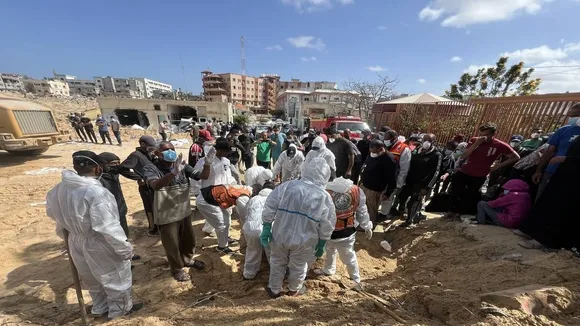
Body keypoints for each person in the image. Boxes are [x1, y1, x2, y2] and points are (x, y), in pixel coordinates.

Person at [46, 151, 141, 318]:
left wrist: (71, 230)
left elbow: (53, 213)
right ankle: (119, 311)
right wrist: (124, 248)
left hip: (76, 239)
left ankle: (100, 308)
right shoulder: (97, 193)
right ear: (98, 169)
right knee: (116, 277)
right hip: (99, 241)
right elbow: (108, 226)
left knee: (91, 279)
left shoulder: (58, 189)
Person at [261, 158, 336, 298]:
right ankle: (294, 290)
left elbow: (270, 204)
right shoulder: (324, 197)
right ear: (325, 176)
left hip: (280, 234)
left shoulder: (288, 186)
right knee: (299, 266)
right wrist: (322, 242)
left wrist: (266, 226)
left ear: (306, 170)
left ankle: (274, 290)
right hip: (305, 239)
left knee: (277, 262)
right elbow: (328, 223)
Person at [143, 142, 205, 281]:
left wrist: (208, 163)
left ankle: (187, 260)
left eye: (172, 149)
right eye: (165, 150)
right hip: (166, 213)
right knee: (172, 243)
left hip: (184, 211)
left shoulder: (182, 166)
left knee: (189, 239)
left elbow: (202, 176)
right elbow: (156, 185)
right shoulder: (151, 168)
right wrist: (173, 173)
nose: (170, 152)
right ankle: (176, 269)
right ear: (157, 153)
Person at [516, 136, 580, 250]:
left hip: (574, 182)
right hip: (564, 175)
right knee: (546, 203)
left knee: (558, 210)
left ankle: (542, 240)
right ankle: (531, 231)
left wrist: (567, 159)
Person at [444, 123, 520, 220]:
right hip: (464, 171)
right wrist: (476, 144)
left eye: (487, 134)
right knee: (455, 192)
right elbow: (464, 155)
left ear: (493, 134)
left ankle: (459, 214)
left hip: (480, 175)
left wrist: (498, 166)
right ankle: (450, 211)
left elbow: (516, 157)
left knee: (469, 195)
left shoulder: (499, 145)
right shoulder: (474, 140)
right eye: (482, 134)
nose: (484, 137)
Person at [313, 177, 372, 287]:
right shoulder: (356, 190)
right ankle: (330, 270)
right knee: (343, 254)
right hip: (346, 231)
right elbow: (362, 211)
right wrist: (366, 225)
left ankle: (355, 278)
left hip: (330, 231)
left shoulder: (325, 192)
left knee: (341, 253)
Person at [194, 139, 239, 254]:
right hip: (209, 196)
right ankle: (222, 247)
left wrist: (234, 187)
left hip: (224, 195)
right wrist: (196, 192)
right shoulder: (204, 161)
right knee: (220, 223)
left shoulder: (226, 161)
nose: (226, 154)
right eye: (224, 151)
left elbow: (228, 177)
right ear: (218, 149)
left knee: (227, 219)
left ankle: (226, 238)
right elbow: (197, 178)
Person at [532, 103, 580, 200]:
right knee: (541, 200)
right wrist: (539, 170)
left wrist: (565, 159)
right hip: (551, 172)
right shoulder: (564, 130)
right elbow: (549, 152)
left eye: (576, 115)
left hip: (573, 177)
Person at [395, 134, 441, 225]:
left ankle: (409, 220)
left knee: (414, 202)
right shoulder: (416, 150)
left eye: (429, 140)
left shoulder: (436, 154)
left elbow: (435, 172)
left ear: (433, 142)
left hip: (422, 183)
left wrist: (427, 187)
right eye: (425, 139)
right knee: (402, 197)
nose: (426, 142)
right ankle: (402, 212)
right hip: (410, 180)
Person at [120, 135, 159, 236]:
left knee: (157, 206)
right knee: (150, 208)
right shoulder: (136, 155)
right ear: (143, 144)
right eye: (151, 146)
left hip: (155, 184)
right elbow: (122, 168)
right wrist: (138, 177)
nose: (153, 148)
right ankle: (153, 229)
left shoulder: (150, 154)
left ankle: (159, 226)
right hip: (146, 186)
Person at [242, 181, 276, 280]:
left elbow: (247, 214)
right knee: (272, 253)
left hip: (251, 229)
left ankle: (249, 274)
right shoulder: (275, 200)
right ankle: (275, 274)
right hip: (268, 230)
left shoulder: (253, 199)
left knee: (253, 250)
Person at [359, 140, 397, 224]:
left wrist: (388, 193)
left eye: (375, 152)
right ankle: (362, 222)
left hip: (374, 189)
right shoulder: (372, 154)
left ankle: (369, 225)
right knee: (362, 206)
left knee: (371, 209)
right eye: (371, 151)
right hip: (364, 185)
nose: (373, 153)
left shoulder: (389, 159)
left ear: (381, 149)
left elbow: (392, 178)